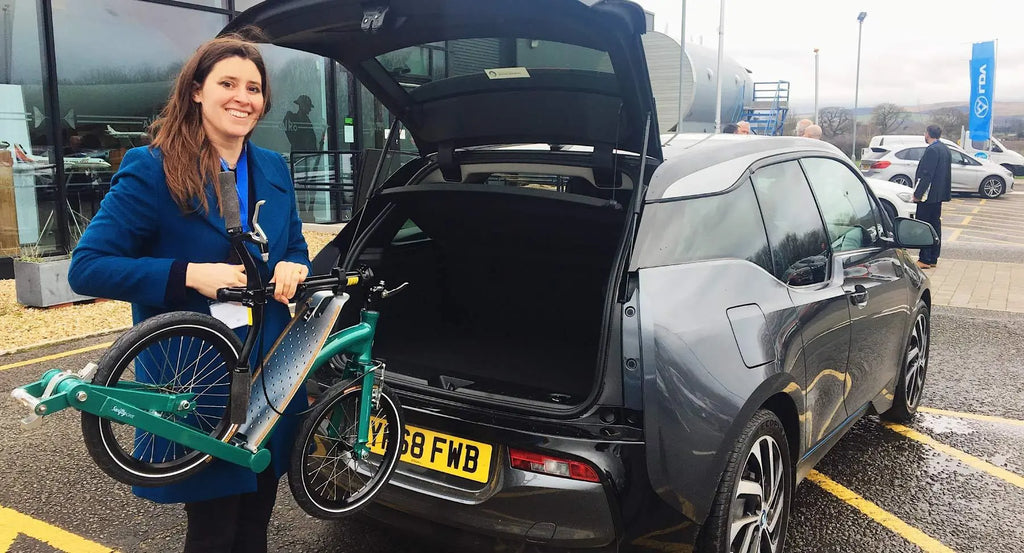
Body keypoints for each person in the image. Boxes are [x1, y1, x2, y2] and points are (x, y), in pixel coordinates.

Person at [68, 34, 311, 553]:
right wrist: (188, 274)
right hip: (197, 376)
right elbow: (87, 268)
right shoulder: (151, 167)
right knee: (213, 528)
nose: (243, 97)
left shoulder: (272, 168)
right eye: (228, 83)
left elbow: (293, 247)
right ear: (197, 90)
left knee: (255, 522)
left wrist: (295, 264)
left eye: (254, 87)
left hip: (270, 369)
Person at [912, 124, 952, 269]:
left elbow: (926, 175)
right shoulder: (945, 149)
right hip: (938, 195)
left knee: (924, 225)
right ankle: (933, 257)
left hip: (927, 196)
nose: (924, 135)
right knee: (935, 225)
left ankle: (924, 259)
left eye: (925, 133)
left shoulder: (932, 150)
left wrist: (917, 194)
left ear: (928, 134)